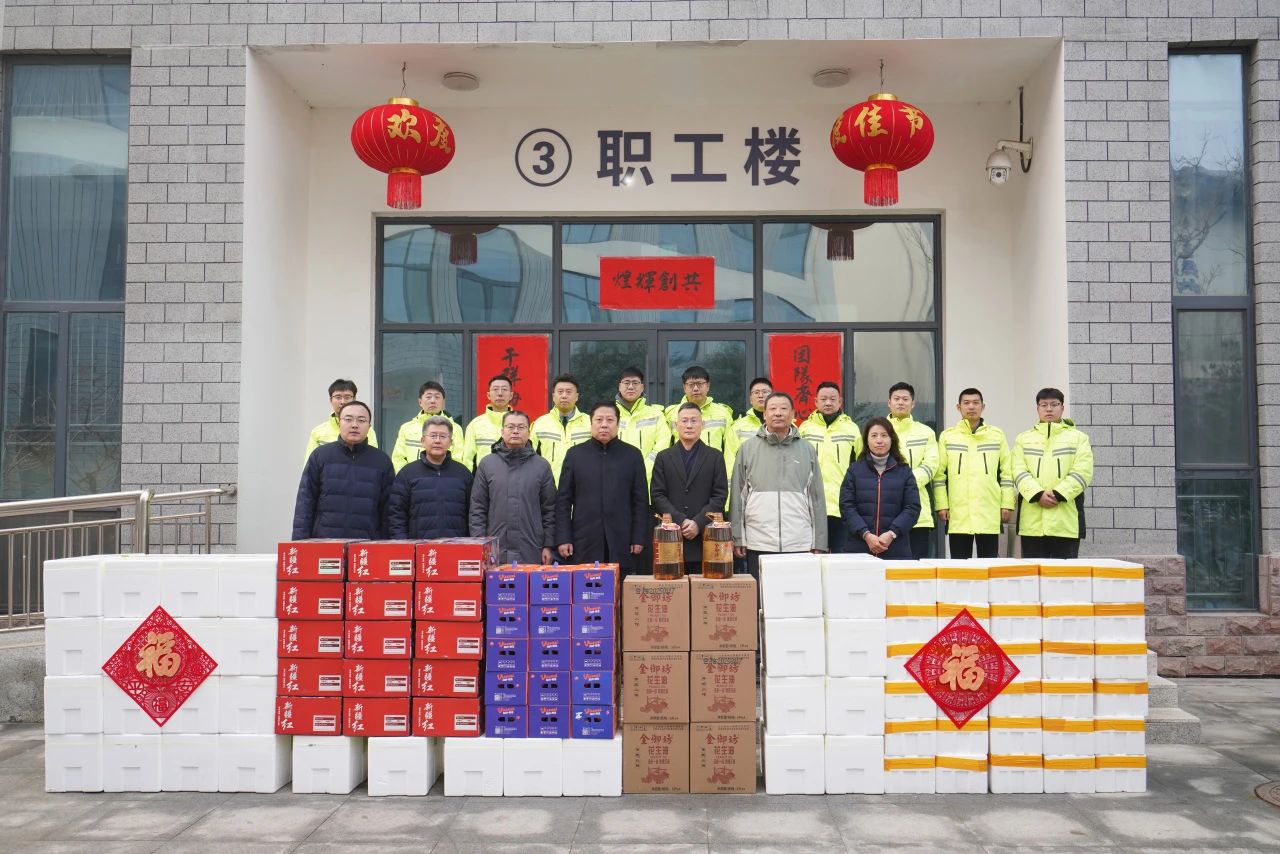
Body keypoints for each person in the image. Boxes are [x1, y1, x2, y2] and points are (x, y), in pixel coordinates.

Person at [728, 392, 827, 579]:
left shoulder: (807, 449)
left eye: (783, 408)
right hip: (759, 541)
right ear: (765, 414)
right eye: (772, 409)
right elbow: (737, 497)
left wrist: (819, 541)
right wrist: (738, 537)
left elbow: (817, 498)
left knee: (796, 593)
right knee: (762, 594)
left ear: (792, 414)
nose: (778, 413)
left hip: (799, 541)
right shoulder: (748, 449)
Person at [555, 402, 649, 573]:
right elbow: (563, 502)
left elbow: (640, 501)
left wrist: (638, 537)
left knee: (620, 585)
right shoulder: (575, 455)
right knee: (587, 585)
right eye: (599, 420)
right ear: (591, 423)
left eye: (610, 420)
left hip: (622, 539)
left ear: (618, 424)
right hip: (584, 539)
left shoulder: (632, 455)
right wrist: (563, 538)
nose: (604, 425)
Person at [1012, 387, 1094, 559]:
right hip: (1032, 523)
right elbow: (1018, 471)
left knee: (1064, 574)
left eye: (1054, 404)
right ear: (1037, 408)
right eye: (1044, 405)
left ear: (1062, 408)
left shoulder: (1079, 438)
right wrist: (1038, 494)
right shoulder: (1023, 439)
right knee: (1034, 573)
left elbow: (1083, 472)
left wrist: (1058, 494)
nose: (1049, 409)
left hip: (1066, 521)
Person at [293, 400, 394, 539]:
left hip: (367, 544)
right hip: (325, 542)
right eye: (348, 419)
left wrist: (387, 545)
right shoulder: (320, 456)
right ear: (339, 423)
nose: (354, 425)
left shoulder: (382, 461)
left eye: (361, 420)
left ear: (369, 426)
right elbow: (305, 502)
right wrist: (300, 541)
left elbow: (388, 511)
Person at [934, 388, 1015, 558]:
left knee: (989, 565)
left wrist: (1007, 504)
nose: (971, 407)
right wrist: (942, 505)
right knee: (960, 566)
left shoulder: (996, 435)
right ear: (958, 407)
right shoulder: (948, 437)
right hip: (958, 513)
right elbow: (939, 475)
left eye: (975, 403)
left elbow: (1007, 473)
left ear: (983, 407)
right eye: (966, 403)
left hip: (989, 510)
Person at [469, 410, 556, 565]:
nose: (515, 431)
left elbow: (549, 509)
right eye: (510, 427)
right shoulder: (487, 464)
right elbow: (477, 508)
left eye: (521, 427)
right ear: (502, 431)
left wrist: (548, 546)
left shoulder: (541, 466)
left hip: (531, 548)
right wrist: (479, 544)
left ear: (529, 433)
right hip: (495, 549)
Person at [651, 403, 729, 569]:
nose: (689, 425)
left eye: (694, 421)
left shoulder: (715, 456)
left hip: (706, 538)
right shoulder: (664, 457)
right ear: (675, 425)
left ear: (703, 424)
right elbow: (657, 495)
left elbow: (720, 496)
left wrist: (698, 523)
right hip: (670, 538)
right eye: (684, 420)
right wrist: (680, 521)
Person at [840, 417, 921, 559]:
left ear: (892, 439)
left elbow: (912, 508)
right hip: (859, 549)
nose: (879, 440)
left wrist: (891, 533)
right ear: (866, 440)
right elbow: (847, 507)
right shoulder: (854, 470)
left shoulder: (904, 471)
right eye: (874, 435)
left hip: (896, 549)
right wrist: (866, 535)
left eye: (884, 435)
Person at [799, 381, 862, 554]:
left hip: (841, 504)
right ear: (815, 401)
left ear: (840, 402)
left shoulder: (851, 429)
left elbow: (861, 464)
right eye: (824, 399)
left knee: (840, 556)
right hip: (810, 505)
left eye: (833, 399)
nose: (828, 403)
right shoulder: (805, 429)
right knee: (812, 554)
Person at [387, 416, 472, 539]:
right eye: (433, 436)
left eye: (443, 436)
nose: (437, 441)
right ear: (422, 441)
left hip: (456, 546)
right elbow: (396, 515)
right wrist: (403, 544)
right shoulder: (407, 474)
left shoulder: (463, 474)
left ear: (450, 442)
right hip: (418, 546)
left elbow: (472, 514)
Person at [886, 382, 941, 560]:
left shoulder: (925, 432)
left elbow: (931, 464)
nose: (901, 402)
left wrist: (906, 481)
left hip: (919, 512)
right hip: (886, 509)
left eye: (905, 399)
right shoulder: (879, 431)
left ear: (913, 403)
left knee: (917, 565)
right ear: (889, 403)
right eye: (896, 399)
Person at [390, 381, 465, 473]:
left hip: (443, 478)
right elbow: (398, 458)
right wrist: (407, 477)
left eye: (437, 397)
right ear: (420, 402)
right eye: (428, 397)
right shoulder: (406, 428)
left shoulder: (455, 429)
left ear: (443, 402)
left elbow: (458, 459)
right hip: (413, 478)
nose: (432, 401)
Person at [530, 374, 591, 485]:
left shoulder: (590, 422)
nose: (564, 396)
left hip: (582, 486)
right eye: (560, 392)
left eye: (569, 392)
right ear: (553, 396)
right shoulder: (540, 423)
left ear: (577, 397)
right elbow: (529, 457)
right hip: (548, 487)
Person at [615, 366, 671, 481]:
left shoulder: (656, 414)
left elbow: (663, 444)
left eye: (635, 383)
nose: (631, 387)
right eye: (626, 383)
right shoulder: (610, 415)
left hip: (649, 479)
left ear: (642, 387)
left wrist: (643, 468)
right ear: (620, 386)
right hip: (616, 477)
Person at [663, 365, 734, 454]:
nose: (696, 388)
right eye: (691, 385)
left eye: (700, 384)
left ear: (708, 386)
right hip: (681, 462)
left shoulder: (723, 412)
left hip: (713, 462)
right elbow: (665, 446)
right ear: (684, 388)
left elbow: (730, 449)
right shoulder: (671, 413)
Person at [304, 379, 379, 463]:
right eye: (338, 397)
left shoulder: (367, 431)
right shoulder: (317, 432)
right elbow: (310, 465)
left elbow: (373, 460)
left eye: (347, 397)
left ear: (354, 399)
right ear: (331, 400)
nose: (343, 402)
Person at [724, 377, 774, 478]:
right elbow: (730, 461)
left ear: (773, 397)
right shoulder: (738, 427)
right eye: (756, 392)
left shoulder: (784, 425)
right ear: (750, 399)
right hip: (747, 483)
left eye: (765, 392)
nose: (760, 395)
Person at [463, 374, 514, 470]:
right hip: (484, 477)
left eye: (504, 389)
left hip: (514, 477)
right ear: (488, 395)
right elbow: (467, 459)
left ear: (511, 395)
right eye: (495, 389)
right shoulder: (475, 425)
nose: (500, 393)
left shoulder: (520, 424)